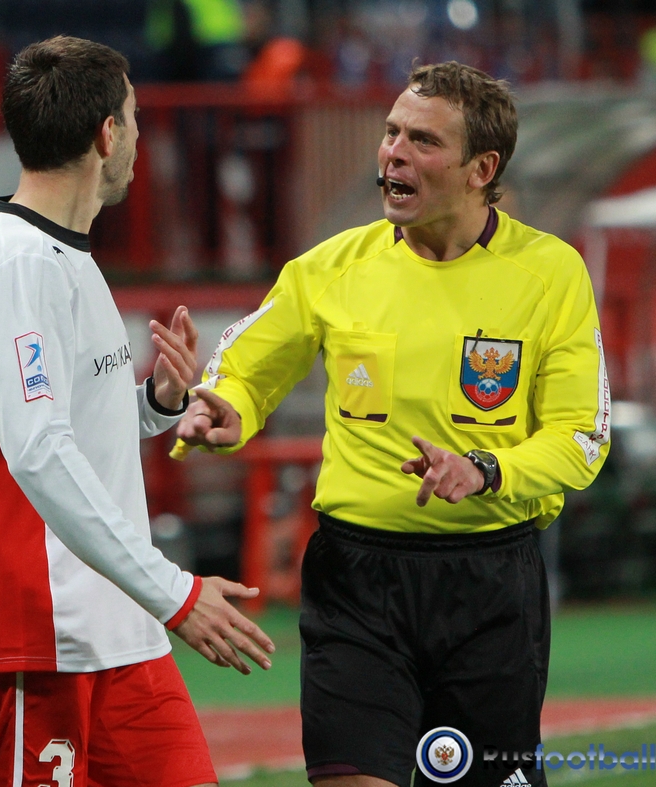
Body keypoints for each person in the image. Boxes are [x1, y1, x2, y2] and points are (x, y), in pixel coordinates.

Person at [175, 61, 611, 787]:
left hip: (489, 586)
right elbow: (243, 368)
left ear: (481, 169)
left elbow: (581, 436)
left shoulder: (551, 273)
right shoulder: (330, 267)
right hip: (356, 583)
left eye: (423, 141)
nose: (393, 154)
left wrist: (487, 470)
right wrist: (225, 407)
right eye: (391, 133)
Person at [0, 35, 274, 787]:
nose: (140, 137)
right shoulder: (16, 263)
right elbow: (39, 451)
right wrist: (177, 593)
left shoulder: (62, 255)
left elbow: (61, 424)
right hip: (30, 635)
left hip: (114, 627)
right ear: (107, 134)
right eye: (135, 118)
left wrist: (157, 403)